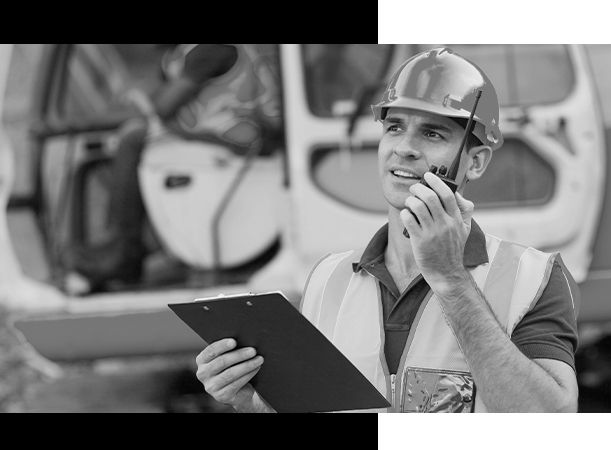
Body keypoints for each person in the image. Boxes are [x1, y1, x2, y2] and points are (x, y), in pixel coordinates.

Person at [194, 47, 579, 413]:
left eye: (433, 134)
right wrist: (259, 403)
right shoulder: (329, 280)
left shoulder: (532, 278)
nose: (404, 148)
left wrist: (451, 279)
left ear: (475, 162)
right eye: (395, 127)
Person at [69, 44, 282, 291]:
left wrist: (137, 103)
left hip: (245, 136)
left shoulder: (211, 50)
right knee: (136, 138)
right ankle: (139, 245)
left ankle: (124, 250)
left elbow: (163, 107)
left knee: (133, 139)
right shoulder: (178, 55)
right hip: (217, 133)